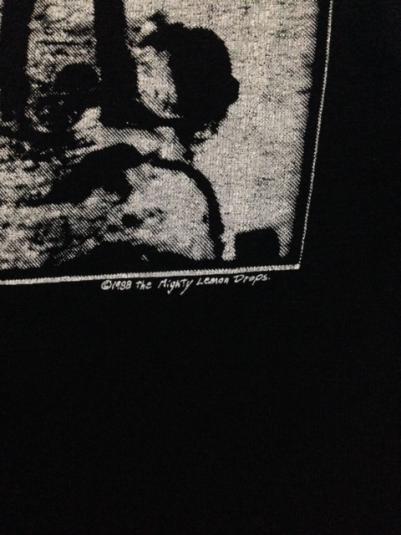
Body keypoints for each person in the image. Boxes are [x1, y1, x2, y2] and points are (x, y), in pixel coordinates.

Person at [36, 14, 239, 272]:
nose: (138, 77)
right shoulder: (134, 146)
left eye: (147, 69)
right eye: (140, 66)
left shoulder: (171, 178)